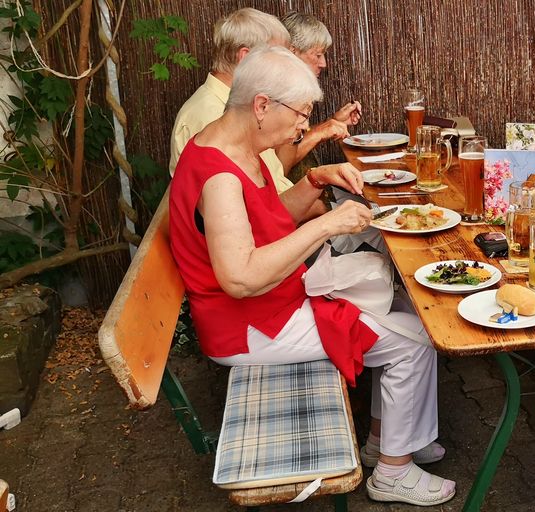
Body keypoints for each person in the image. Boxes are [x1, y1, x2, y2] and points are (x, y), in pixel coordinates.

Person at [167, 47, 454, 507]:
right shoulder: (220, 176)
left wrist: (315, 180)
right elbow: (240, 277)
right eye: (301, 114)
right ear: (262, 105)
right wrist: (326, 225)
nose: (304, 127)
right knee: (416, 339)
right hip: (248, 326)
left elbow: (267, 220)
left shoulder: (231, 145)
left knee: (407, 310)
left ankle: (385, 442)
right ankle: (393, 473)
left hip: (267, 306)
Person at [168, 8, 294, 191]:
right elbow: (255, 204)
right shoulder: (212, 116)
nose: (286, 70)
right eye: (278, 59)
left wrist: (315, 180)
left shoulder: (241, 107)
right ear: (246, 58)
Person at [278, 11, 362, 172]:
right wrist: (321, 131)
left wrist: (333, 122)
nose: (323, 63)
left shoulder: (294, 91)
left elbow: (292, 146)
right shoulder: (277, 96)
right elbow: (279, 167)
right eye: (317, 55)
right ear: (292, 52)